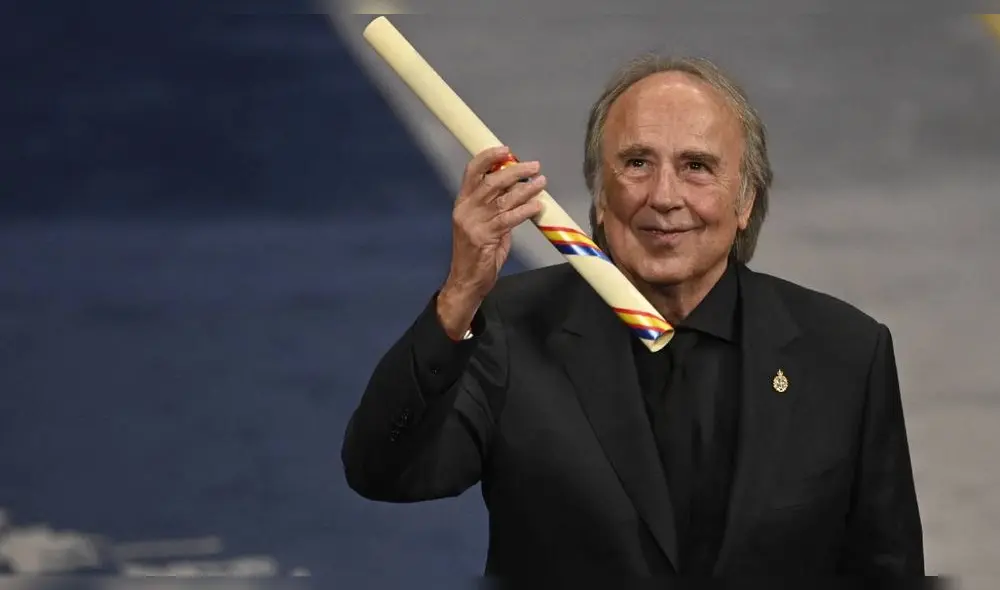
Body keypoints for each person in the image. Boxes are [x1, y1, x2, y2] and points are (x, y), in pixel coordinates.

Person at [341, 54, 924, 578]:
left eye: (697, 166)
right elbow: (384, 471)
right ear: (598, 193)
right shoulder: (509, 331)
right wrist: (459, 295)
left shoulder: (844, 354)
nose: (664, 197)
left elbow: (885, 568)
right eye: (637, 163)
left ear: (745, 201)